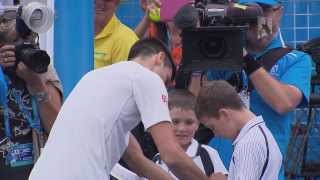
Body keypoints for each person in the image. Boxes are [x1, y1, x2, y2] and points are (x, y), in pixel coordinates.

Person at [29, 38, 221, 180]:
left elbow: (137, 161)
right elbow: (171, 154)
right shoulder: (147, 78)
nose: (163, 85)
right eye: (165, 79)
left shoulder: (94, 78)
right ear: (159, 58)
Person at [207, 1, 312, 179]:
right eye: (248, 11)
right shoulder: (225, 53)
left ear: (279, 12)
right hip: (220, 166)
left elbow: (283, 103)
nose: (255, 17)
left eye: (262, 10)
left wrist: (247, 58)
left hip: (263, 169)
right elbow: (198, 103)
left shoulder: (295, 59)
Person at [0, 4, 63, 180]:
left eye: (26, 43)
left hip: (31, 169)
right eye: (13, 46)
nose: (21, 51)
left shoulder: (42, 68)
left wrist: (37, 84)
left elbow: (57, 128)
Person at [196, 80, 282, 180]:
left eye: (212, 127)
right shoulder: (261, 134)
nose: (215, 134)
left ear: (224, 114)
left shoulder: (248, 144)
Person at [153, 89, 228, 179]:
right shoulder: (158, 159)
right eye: (175, 121)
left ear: (198, 124)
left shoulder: (208, 154)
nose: (181, 128)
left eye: (189, 122)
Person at [94, 0, 138, 68]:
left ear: (117, 3)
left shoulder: (125, 39)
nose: (100, 2)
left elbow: (124, 77)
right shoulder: (75, 31)